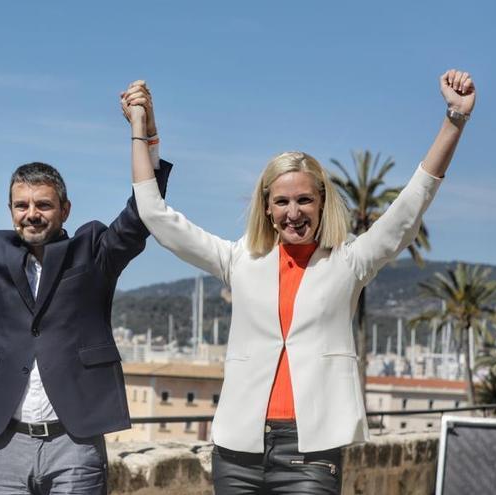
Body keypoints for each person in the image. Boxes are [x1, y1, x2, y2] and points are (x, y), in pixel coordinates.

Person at [125, 69, 475, 494]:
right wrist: (144, 135)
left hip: (311, 455)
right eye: (283, 201)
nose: (294, 211)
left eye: (305, 199)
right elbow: (157, 217)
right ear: (268, 209)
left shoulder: (349, 262)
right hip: (237, 452)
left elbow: (409, 207)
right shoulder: (240, 260)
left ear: (322, 203)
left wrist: (453, 120)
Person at [0, 81, 170, 494]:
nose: (32, 214)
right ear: (10, 210)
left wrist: (143, 131)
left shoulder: (92, 251)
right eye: (22, 206)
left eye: (43, 205)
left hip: (75, 441)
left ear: (64, 210)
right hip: (8, 441)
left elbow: (141, 214)